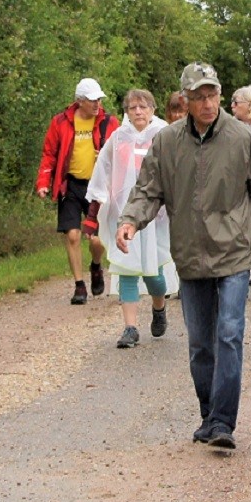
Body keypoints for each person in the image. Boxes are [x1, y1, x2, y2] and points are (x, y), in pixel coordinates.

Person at [117, 63, 251, 451]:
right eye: (198, 97)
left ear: (221, 95)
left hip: (235, 252)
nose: (207, 103)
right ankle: (209, 414)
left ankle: (224, 421)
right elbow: (148, 190)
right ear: (186, 100)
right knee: (200, 344)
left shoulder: (243, 138)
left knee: (229, 333)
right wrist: (130, 221)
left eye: (212, 95)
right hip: (191, 252)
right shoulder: (168, 142)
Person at [88, 90, 172, 348]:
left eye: (143, 106)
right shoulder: (118, 138)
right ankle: (130, 328)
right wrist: (96, 207)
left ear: (152, 109)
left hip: (155, 216)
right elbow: (103, 169)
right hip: (124, 212)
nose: (138, 111)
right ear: (126, 111)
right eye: (132, 107)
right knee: (126, 270)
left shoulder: (165, 135)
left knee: (153, 273)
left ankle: (159, 306)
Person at [35, 77, 120, 304]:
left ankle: (96, 266)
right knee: (72, 235)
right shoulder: (61, 122)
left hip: (98, 186)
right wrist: (43, 181)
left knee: (96, 240)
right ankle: (79, 286)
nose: (97, 105)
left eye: (99, 100)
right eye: (92, 100)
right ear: (80, 101)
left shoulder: (109, 123)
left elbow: (121, 151)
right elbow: (49, 154)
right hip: (71, 185)